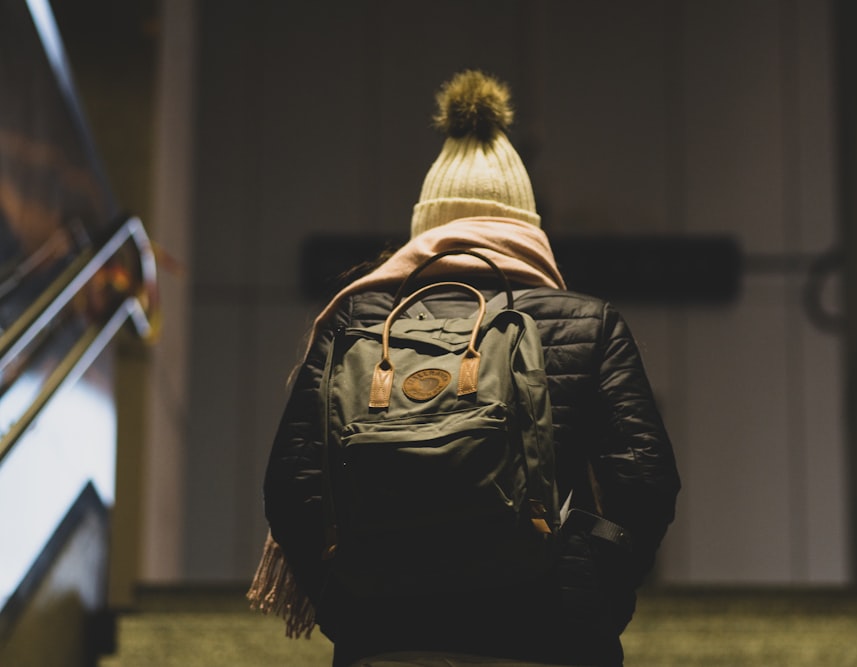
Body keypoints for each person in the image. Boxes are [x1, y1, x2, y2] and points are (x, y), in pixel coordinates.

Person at [257, 70, 681, 667]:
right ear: (527, 225)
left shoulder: (359, 320)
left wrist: (344, 599)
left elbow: (292, 484)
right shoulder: (587, 320)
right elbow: (645, 478)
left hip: (386, 634)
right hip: (549, 632)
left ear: (426, 227)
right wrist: (593, 589)